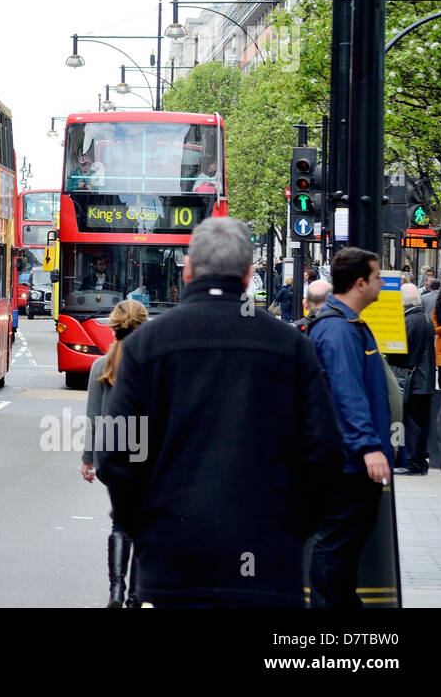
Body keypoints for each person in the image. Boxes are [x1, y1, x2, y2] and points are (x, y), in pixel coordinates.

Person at [96, 217, 343, 607]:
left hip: (175, 563)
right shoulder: (290, 346)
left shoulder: (147, 346)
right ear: (248, 276)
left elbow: (115, 458)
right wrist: (291, 530)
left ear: (189, 269)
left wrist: (147, 531)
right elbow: (325, 455)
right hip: (267, 560)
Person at [307, 247, 394, 608]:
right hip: (347, 463)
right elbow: (347, 391)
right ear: (360, 283)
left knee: (342, 553)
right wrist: (368, 446)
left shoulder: (347, 326)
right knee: (335, 550)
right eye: (376, 278)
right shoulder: (338, 330)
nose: (380, 284)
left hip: (350, 459)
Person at [80, 299, 147, 608]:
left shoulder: (100, 365)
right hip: (145, 454)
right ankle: (135, 597)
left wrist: (88, 459)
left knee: (120, 523)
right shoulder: (152, 364)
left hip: (111, 456)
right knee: (143, 526)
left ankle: (116, 591)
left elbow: (93, 418)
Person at [390, 283, 434, 475]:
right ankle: (420, 460)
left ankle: (413, 462)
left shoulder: (409, 321)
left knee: (412, 421)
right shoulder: (424, 319)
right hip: (425, 379)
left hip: (414, 380)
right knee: (421, 421)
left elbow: (399, 351)